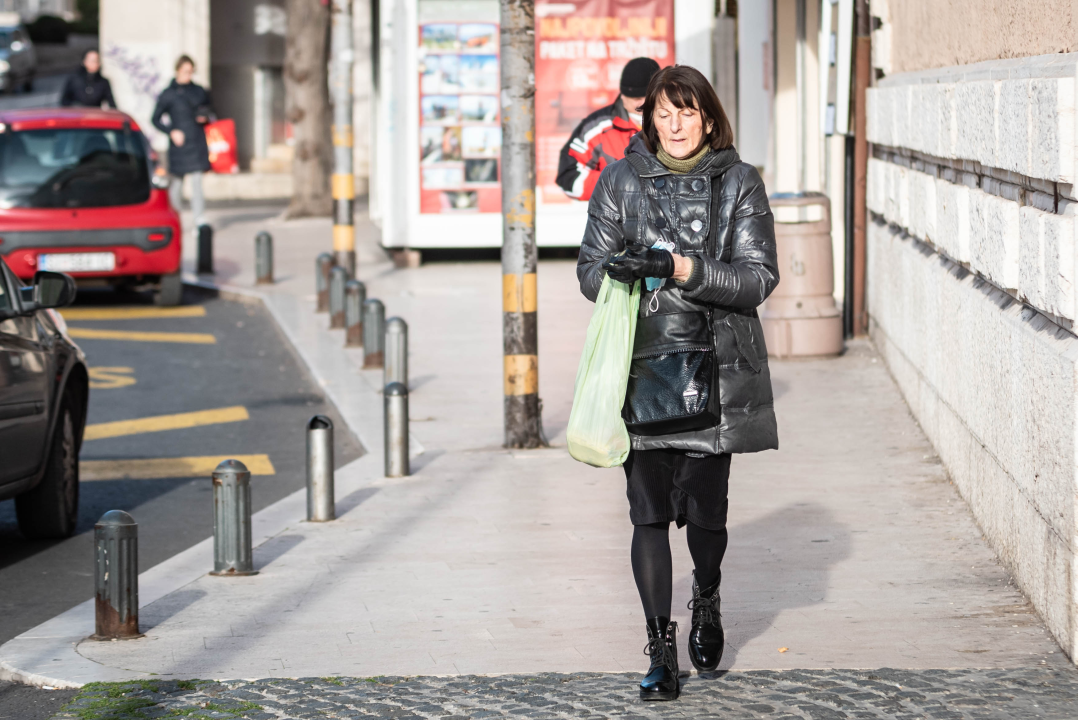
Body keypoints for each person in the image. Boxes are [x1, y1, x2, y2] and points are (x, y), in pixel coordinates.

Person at [576, 65, 779, 702]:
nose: (676, 124)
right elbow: (588, 271)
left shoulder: (740, 182)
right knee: (648, 515)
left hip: (715, 369)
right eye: (665, 113)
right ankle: (661, 646)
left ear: (709, 118)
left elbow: (756, 280)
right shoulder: (619, 180)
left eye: (688, 112)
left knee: (708, 516)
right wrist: (622, 272)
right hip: (643, 368)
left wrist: (681, 265)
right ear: (650, 117)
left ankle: (708, 594)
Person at [555, 57, 660, 202]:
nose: (642, 103)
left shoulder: (676, 123)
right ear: (623, 95)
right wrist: (618, 185)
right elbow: (568, 176)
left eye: (648, 96)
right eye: (636, 97)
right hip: (617, 221)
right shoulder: (597, 127)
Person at [151, 55, 214, 233]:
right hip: (179, 144)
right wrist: (171, 131)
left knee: (197, 183)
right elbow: (155, 119)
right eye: (185, 71)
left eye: (191, 72)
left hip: (197, 141)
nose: (188, 75)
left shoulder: (200, 91)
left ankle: (199, 220)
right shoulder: (168, 93)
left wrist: (205, 117)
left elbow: (210, 111)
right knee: (176, 185)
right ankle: (174, 218)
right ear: (178, 70)